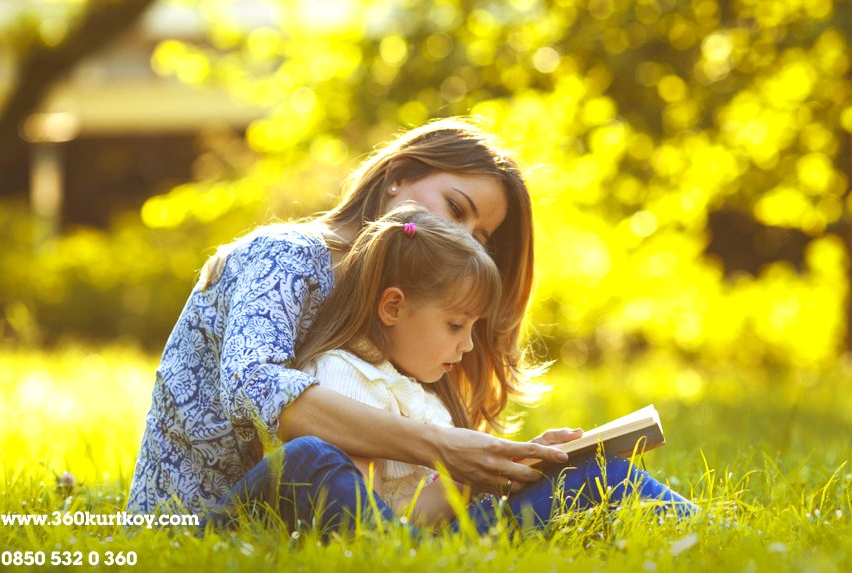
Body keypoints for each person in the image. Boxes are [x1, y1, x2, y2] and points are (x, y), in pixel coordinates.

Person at [127, 118, 577, 517]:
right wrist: (441, 447)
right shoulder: (285, 255)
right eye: (456, 209)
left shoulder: (414, 311)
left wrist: (509, 463)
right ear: (398, 177)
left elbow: (408, 488)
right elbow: (254, 387)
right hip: (211, 521)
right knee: (310, 459)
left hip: (350, 521)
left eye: (480, 237)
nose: (460, 237)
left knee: (587, 476)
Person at [209, 207, 695, 534]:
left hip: (459, 530)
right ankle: (711, 533)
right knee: (594, 480)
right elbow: (370, 520)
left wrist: (515, 464)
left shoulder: (417, 387)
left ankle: (707, 531)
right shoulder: (342, 377)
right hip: (421, 545)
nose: (467, 345)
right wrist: (469, 479)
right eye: (456, 325)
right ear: (393, 307)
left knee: (594, 471)